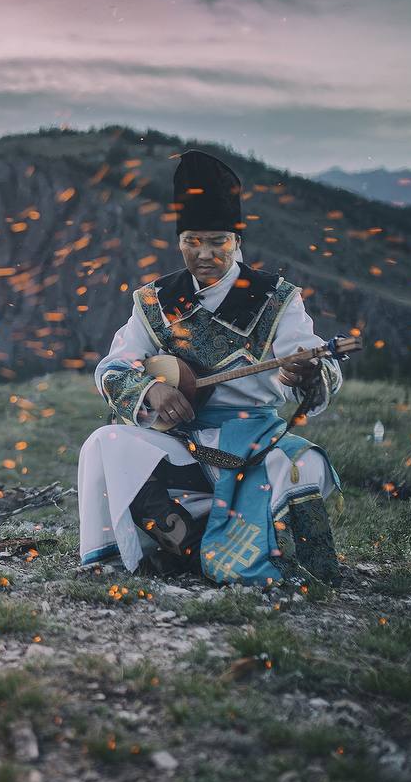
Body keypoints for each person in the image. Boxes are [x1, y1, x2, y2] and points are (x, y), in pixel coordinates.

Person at [77, 150, 344, 585]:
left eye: (217, 241)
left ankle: (269, 562)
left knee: (302, 466)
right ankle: (167, 547)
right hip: (184, 444)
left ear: (237, 241)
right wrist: (152, 392)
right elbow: (113, 368)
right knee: (107, 442)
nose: (204, 254)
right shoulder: (155, 300)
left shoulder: (276, 298)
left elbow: (316, 358)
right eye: (192, 241)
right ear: (179, 241)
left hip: (255, 441)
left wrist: (310, 376)